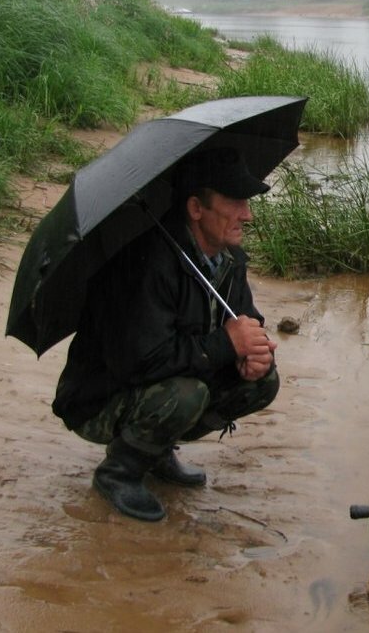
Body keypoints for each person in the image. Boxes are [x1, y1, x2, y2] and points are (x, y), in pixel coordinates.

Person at [52, 147, 279, 521]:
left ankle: (156, 451)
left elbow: (244, 320)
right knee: (188, 393)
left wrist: (253, 354)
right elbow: (142, 361)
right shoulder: (147, 265)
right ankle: (119, 471)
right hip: (99, 399)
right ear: (195, 208)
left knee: (265, 381)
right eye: (236, 201)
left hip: (160, 379)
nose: (247, 214)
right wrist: (226, 343)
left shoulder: (227, 260)